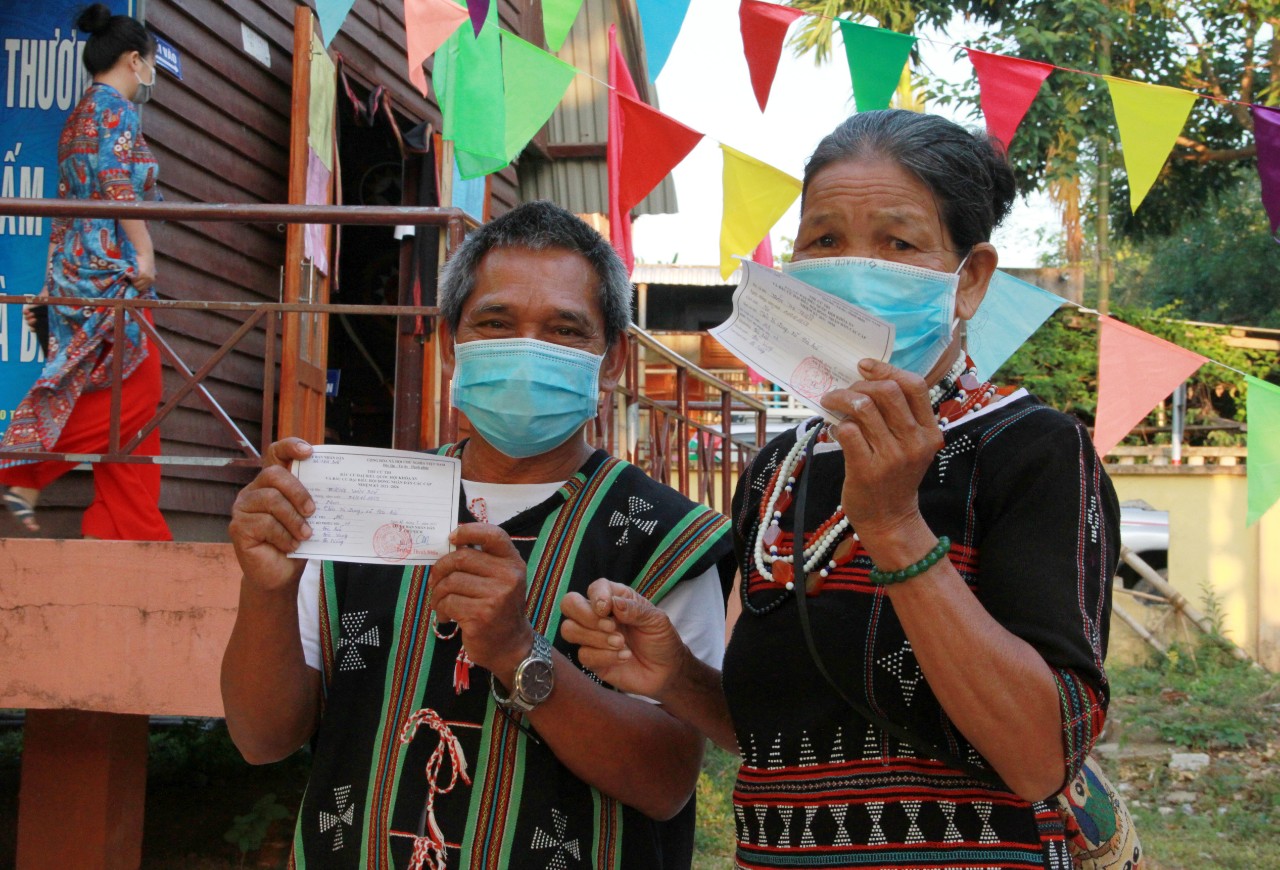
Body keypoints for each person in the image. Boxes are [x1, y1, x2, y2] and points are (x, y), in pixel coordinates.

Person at [562, 110, 1121, 870]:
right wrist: (679, 680)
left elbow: (1040, 756)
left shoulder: (1030, 450)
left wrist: (894, 526)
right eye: (823, 241)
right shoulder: (779, 470)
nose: (854, 268)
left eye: (897, 242)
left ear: (972, 280)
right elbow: (779, 734)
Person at [222, 201, 735, 869]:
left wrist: (519, 653)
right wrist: (266, 589)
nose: (527, 350)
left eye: (563, 330)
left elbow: (666, 783)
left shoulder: (664, 539)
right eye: (496, 324)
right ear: (449, 345)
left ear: (611, 361)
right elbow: (263, 738)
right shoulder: (361, 504)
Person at [0, 3, 169, 541]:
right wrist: (145, 254)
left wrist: (53, 284)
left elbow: (74, 198)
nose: (152, 72)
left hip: (77, 268)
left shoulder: (79, 114)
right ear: (133, 59)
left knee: (131, 410)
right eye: (150, 62)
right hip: (107, 272)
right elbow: (117, 186)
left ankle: (131, 530)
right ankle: (22, 470)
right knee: (138, 391)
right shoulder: (115, 110)